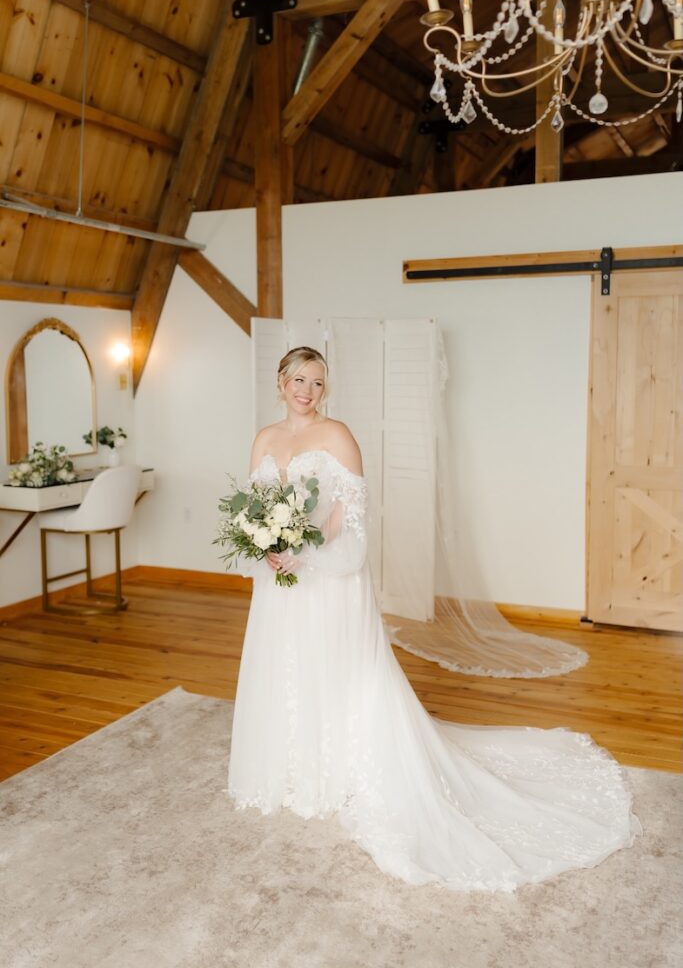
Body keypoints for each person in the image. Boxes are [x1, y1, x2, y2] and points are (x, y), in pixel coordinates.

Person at [227, 346, 640, 892]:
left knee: (337, 667)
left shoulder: (339, 436)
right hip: (282, 580)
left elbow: (345, 513)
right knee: (288, 664)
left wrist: (302, 548)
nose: (307, 390)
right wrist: (267, 547)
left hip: (326, 574)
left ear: (326, 390)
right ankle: (294, 766)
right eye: (298, 379)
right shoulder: (264, 439)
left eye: (318, 382)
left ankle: (339, 769)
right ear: (280, 381)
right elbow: (255, 505)